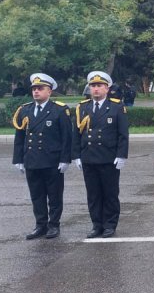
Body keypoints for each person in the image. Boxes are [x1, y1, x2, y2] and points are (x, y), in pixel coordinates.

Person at [12, 73, 73, 240]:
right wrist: (18, 159)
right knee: (37, 195)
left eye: (40, 89)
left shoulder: (59, 110)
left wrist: (65, 159)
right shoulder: (25, 110)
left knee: (54, 195)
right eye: (34, 89)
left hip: (52, 161)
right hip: (32, 160)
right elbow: (20, 137)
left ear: (49, 92)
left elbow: (67, 137)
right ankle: (40, 225)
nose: (36, 92)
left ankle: (54, 225)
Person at [71, 71, 129, 238]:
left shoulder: (117, 107)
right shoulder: (82, 107)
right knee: (93, 194)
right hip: (89, 157)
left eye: (99, 86)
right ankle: (97, 225)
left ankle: (110, 224)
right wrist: (76, 155)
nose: (95, 89)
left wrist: (121, 155)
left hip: (109, 158)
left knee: (110, 193)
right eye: (93, 86)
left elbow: (123, 134)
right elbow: (76, 133)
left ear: (107, 88)